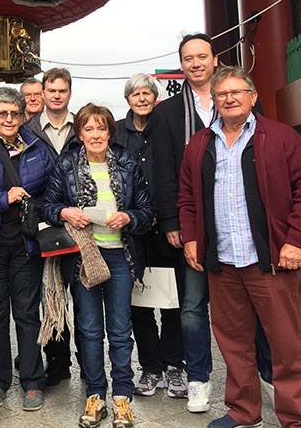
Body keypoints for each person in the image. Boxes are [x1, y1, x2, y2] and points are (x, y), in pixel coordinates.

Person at [178, 66, 301, 428]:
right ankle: (244, 412)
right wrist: (193, 238)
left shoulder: (281, 137)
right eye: (222, 94)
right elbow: (187, 198)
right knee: (233, 344)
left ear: (252, 97)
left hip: (270, 259)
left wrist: (294, 241)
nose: (229, 99)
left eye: (236, 92)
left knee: (285, 346)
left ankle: (296, 419)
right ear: (214, 100)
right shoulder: (200, 143)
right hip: (222, 262)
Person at [152, 33, 272, 413]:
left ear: (215, 59)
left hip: (239, 221)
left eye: (202, 56)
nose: (196, 63)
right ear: (181, 65)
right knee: (192, 304)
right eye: (188, 58)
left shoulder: (237, 101)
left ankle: (265, 377)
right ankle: (198, 379)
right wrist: (172, 221)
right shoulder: (167, 112)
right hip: (194, 222)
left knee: (252, 303)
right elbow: (163, 172)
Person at [43, 103, 154, 428]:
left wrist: (129, 217)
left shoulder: (126, 163)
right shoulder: (66, 164)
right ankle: (95, 395)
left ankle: (122, 398)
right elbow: (48, 206)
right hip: (83, 258)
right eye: (88, 129)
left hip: (120, 256)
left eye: (101, 129)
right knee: (89, 330)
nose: (95, 135)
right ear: (79, 134)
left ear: (109, 132)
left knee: (120, 331)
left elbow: (146, 210)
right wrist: (65, 212)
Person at [0, 87, 52, 412]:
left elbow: (52, 191)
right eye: (1, 113)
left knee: (28, 314)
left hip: (25, 244)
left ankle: (33, 380)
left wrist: (37, 206)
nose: (8, 119)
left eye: (14, 114)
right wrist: (3, 199)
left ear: (22, 116)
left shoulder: (37, 148)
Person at [114, 74, 186, 399]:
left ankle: (174, 365)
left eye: (147, 92)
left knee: (172, 300)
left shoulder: (167, 126)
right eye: (136, 93)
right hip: (130, 232)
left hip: (166, 229)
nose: (142, 98)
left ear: (155, 96)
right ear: (127, 98)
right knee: (138, 303)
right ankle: (150, 365)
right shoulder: (116, 132)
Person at [24, 67, 82, 386]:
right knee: (51, 298)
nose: (56, 95)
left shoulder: (82, 125)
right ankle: (57, 364)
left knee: (85, 300)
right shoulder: (27, 129)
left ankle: (89, 363)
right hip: (43, 224)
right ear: (43, 94)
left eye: (62, 90)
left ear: (69, 93)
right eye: (51, 90)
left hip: (81, 222)